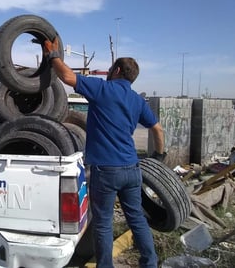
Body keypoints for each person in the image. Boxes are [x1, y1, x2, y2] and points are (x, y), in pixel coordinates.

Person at [43, 38, 165, 268]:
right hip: (132, 169)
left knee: (103, 223)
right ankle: (150, 263)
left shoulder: (103, 88)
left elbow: (68, 77)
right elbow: (157, 129)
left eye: (110, 69)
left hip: (106, 171)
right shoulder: (137, 100)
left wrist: (53, 55)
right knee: (137, 219)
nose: (108, 72)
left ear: (117, 70)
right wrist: (159, 157)